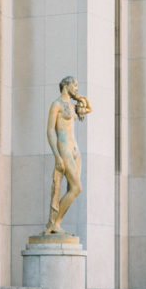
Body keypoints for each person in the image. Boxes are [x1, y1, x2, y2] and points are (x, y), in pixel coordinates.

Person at [45, 77, 91, 234]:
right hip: (64, 149)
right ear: (66, 85)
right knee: (78, 188)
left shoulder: (72, 105)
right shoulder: (56, 104)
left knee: (73, 188)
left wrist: (79, 98)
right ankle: (54, 222)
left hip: (75, 150)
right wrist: (57, 155)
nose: (77, 88)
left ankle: (56, 223)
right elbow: (50, 130)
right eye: (75, 85)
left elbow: (88, 108)